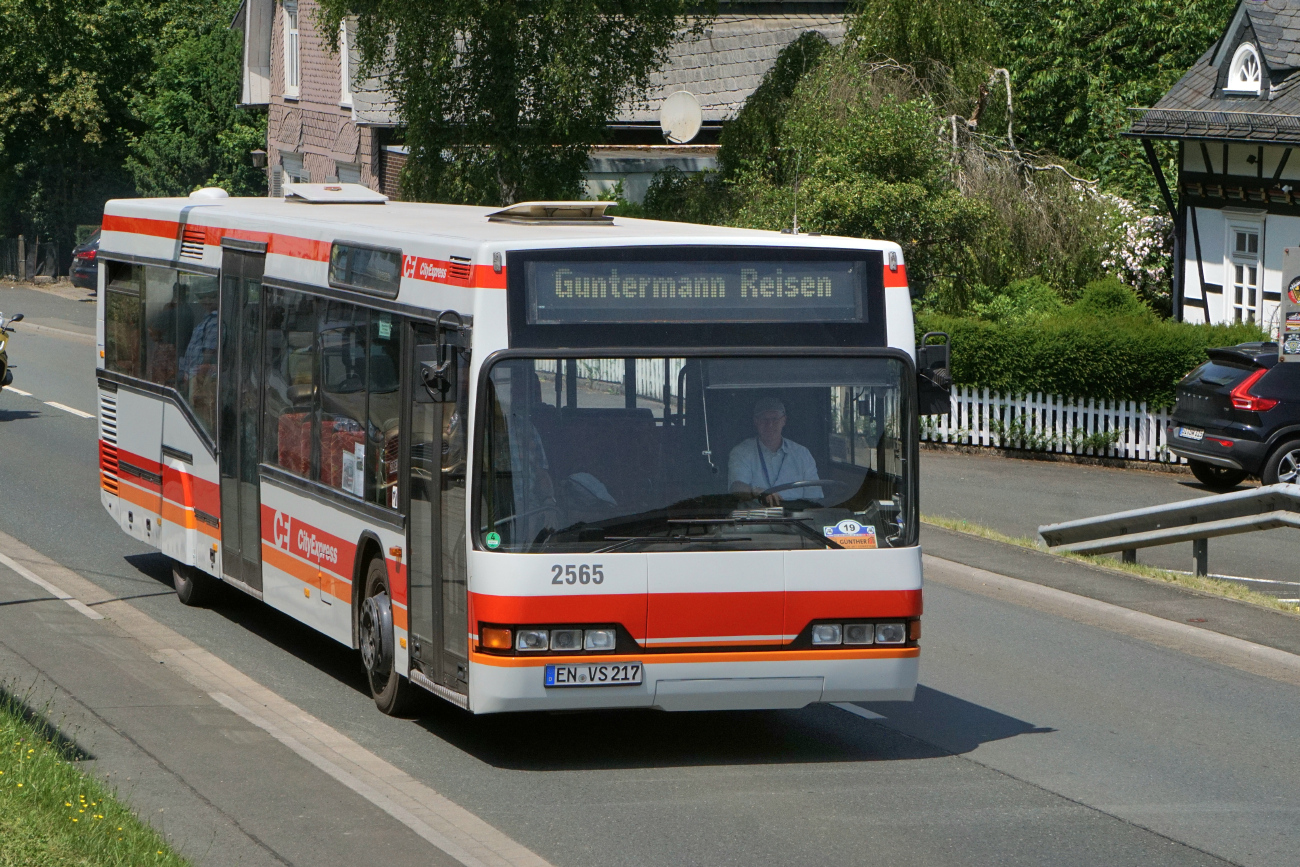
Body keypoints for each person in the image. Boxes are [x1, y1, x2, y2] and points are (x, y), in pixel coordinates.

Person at [728, 396, 822, 505]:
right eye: (764, 420)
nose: (770, 424)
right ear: (756, 422)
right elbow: (736, 487)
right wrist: (756, 491)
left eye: (775, 419)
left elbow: (814, 497)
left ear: (784, 420)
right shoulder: (741, 452)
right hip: (756, 518)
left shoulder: (802, 453)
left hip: (797, 518)